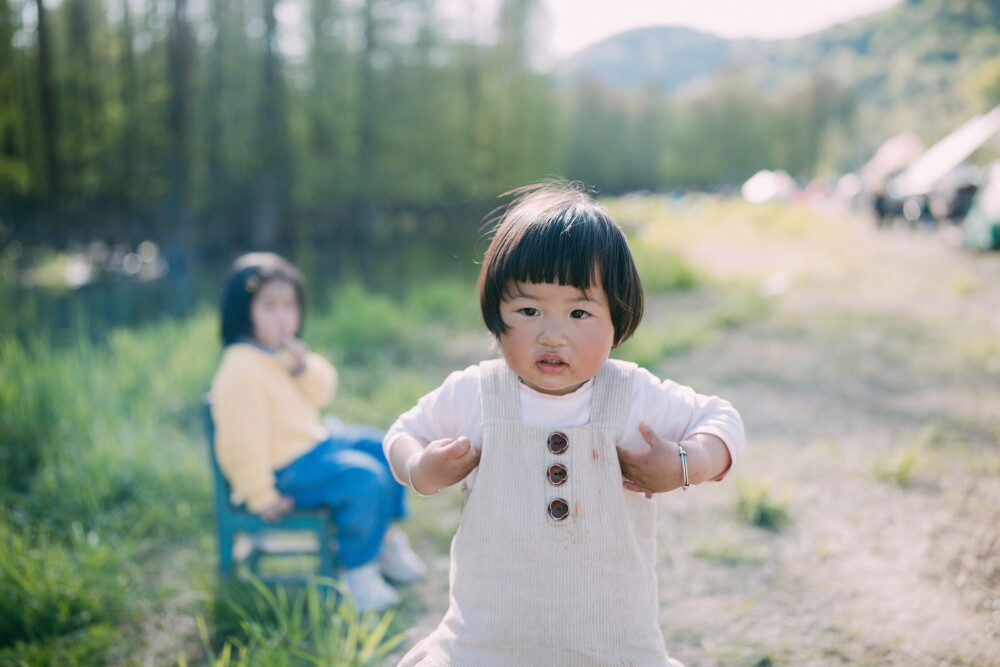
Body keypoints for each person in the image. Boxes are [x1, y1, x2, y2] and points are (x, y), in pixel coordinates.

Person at [384, 181, 745, 665]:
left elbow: (723, 420)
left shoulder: (631, 394)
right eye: (528, 310)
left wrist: (684, 463)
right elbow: (400, 434)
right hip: (486, 645)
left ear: (618, 319)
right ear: (496, 316)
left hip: (612, 645)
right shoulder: (478, 392)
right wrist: (420, 470)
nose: (552, 335)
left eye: (579, 312)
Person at [210, 252, 425, 612]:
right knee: (363, 478)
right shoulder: (240, 367)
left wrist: (302, 366)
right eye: (269, 307)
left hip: (315, 445)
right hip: (285, 470)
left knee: (384, 448)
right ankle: (357, 573)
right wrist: (260, 495)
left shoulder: (282, 353)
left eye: (289, 306)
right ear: (241, 309)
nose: (283, 317)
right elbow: (239, 441)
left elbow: (323, 391)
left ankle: (385, 540)